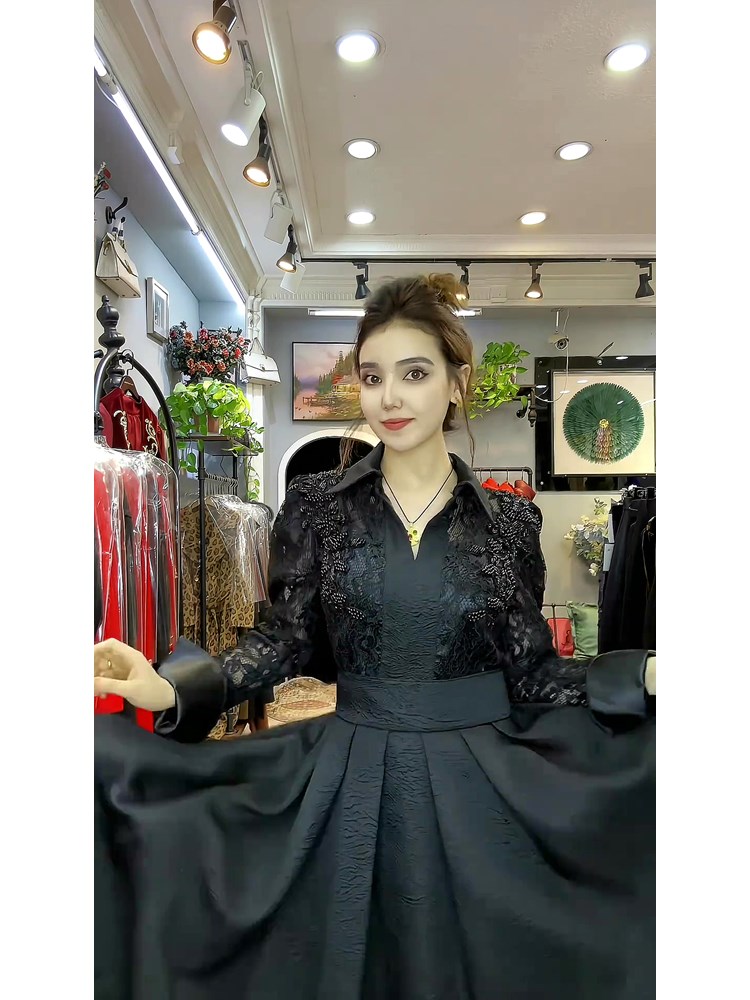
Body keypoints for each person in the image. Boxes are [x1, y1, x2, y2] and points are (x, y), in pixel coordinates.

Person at [94, 274, 655, 1000]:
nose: (391, 397)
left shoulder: (510, 523)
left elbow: (535, 674)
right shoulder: (317, 508)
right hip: (352, 776)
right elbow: (285, 642)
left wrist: (641, 675)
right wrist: (171, 687)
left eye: (414, 374)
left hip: (485, 788)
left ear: (456, 384)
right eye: (372, 376)